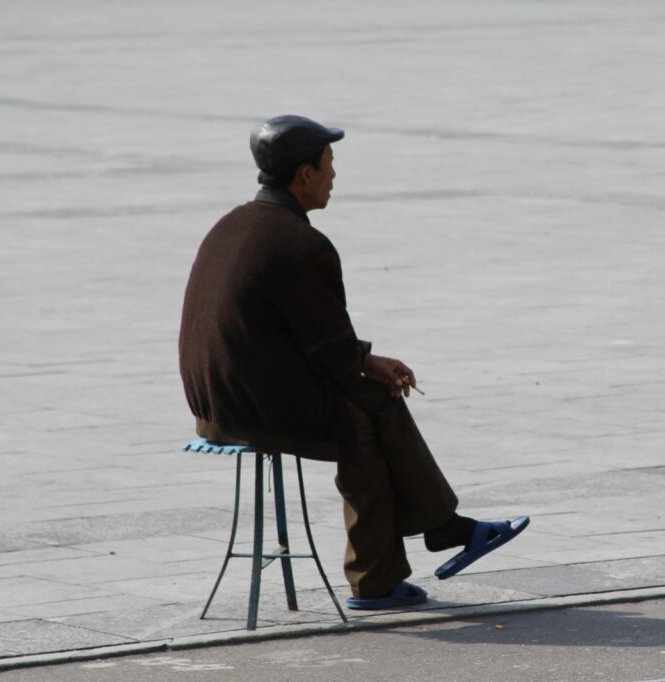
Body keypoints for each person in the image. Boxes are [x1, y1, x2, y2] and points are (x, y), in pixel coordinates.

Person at [178, 114, 528, 610]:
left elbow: (314, 335)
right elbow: (329, 352)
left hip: (212, 402)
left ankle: (429, 542)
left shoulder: (233, 224)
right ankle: (397, 564)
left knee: (367, 403)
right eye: (329, 164)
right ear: (305, 174)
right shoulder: (301, 244)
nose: (334, 175)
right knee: (365, 419)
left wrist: (365, 358)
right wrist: (366, 365)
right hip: (250, 409)